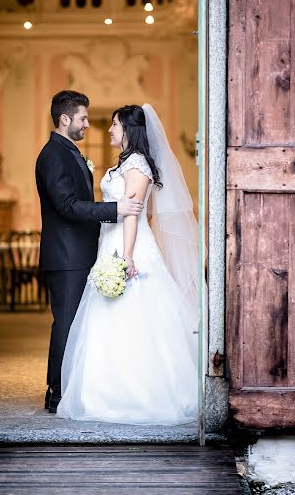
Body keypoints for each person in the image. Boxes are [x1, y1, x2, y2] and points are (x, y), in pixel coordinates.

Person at [57, 104, 199, 425]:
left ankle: (135, 392)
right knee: (108, 316)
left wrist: (128, 256)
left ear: (130, 130)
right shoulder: (125, 162)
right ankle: (105, 389)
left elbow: (132, 213)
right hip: (110, 243)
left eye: (115, 125)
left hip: (127, 245)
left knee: (133, 314)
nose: (109, 130)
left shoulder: (136, 164)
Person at [35, 91, 143, 414]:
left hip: (80, 254)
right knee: (66, 323)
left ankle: (68, 387)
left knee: (76, 324)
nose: (87, 125)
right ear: (65, 119)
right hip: (66, 257)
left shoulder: (69, 152)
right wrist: (115, 209)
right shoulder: (54, 155)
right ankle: (56, 392)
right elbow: (67, 206)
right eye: (83, 118)